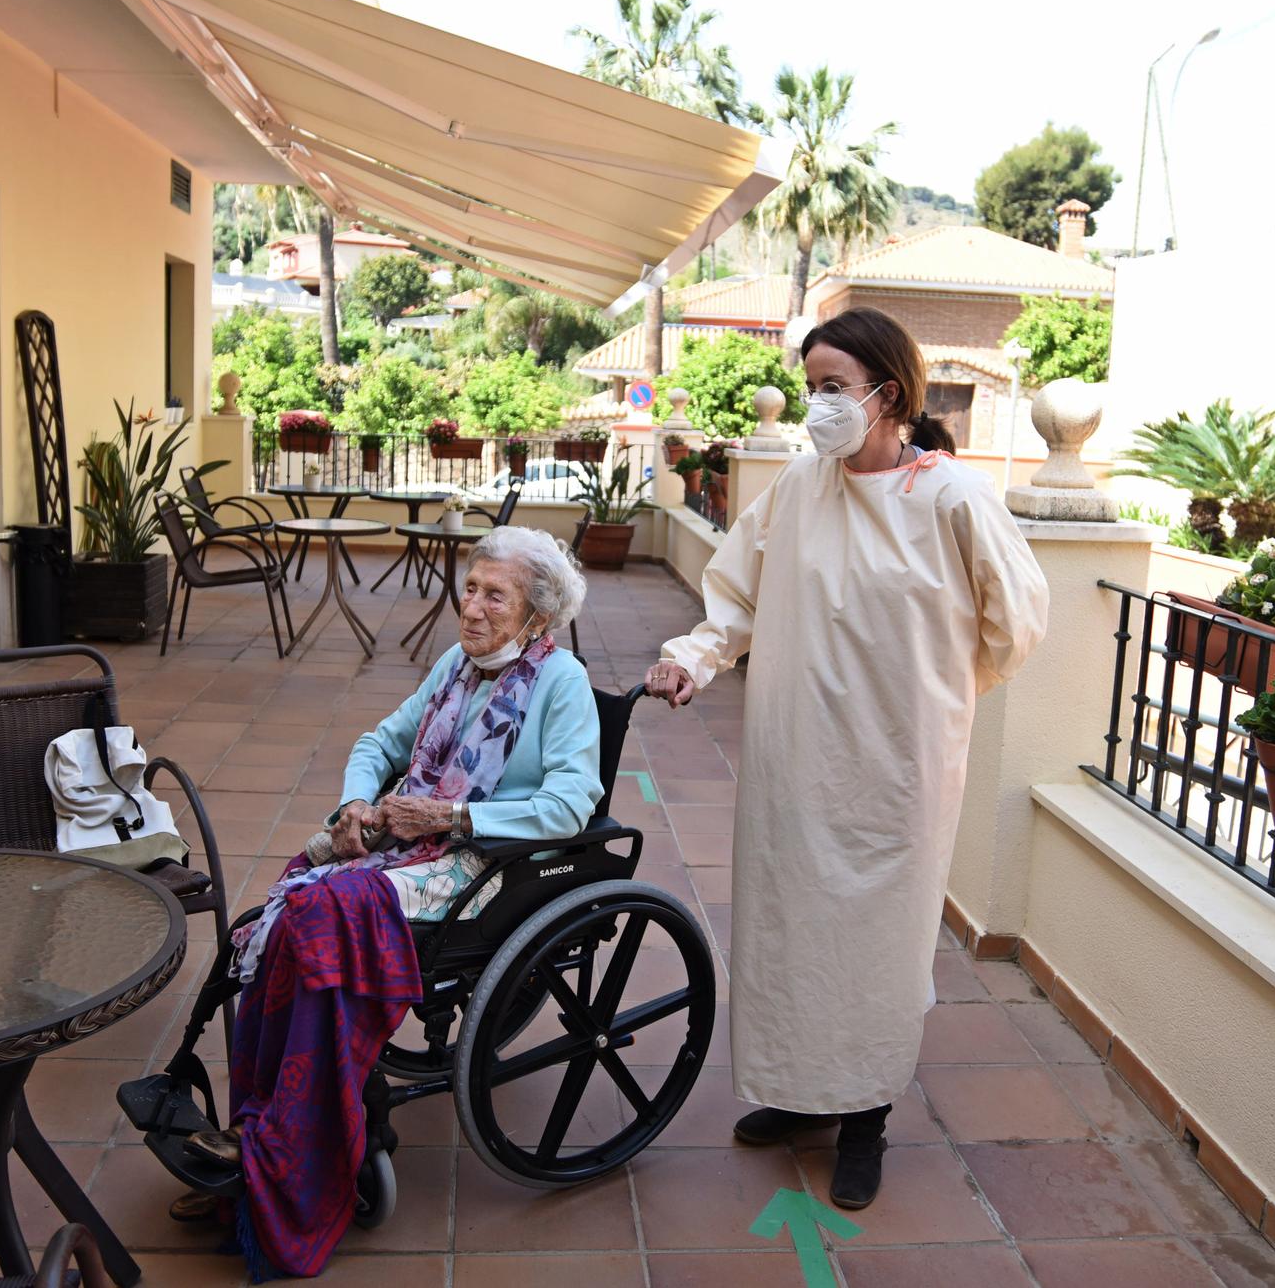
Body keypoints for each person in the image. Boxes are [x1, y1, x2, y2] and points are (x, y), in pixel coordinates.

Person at [645, 306, 1049, 1209]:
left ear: (888, 395)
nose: (816, 406)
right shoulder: (798, 486)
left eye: (832, 388)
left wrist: (934, 696)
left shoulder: (951, 497)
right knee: (790, 931)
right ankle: (799, 1094)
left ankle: (863, 1118)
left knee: (874, 947)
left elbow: (1013, 624)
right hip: (795, 758)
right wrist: (694, 658)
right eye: (811, 388)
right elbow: (735, 596)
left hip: (897, 770)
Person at [176, 525, 601, 1276]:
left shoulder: (561, 683)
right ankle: (267, 1127)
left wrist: (454, 816)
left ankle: (290, 1148)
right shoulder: (456, 666)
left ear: (536, 614)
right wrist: (354, 804)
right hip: (413, 846)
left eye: (493, 594)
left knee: (314, 920)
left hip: (491, 864)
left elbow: (572, 804)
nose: (470, 607)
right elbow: (379, 743)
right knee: (281, 920)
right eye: (468, 587)